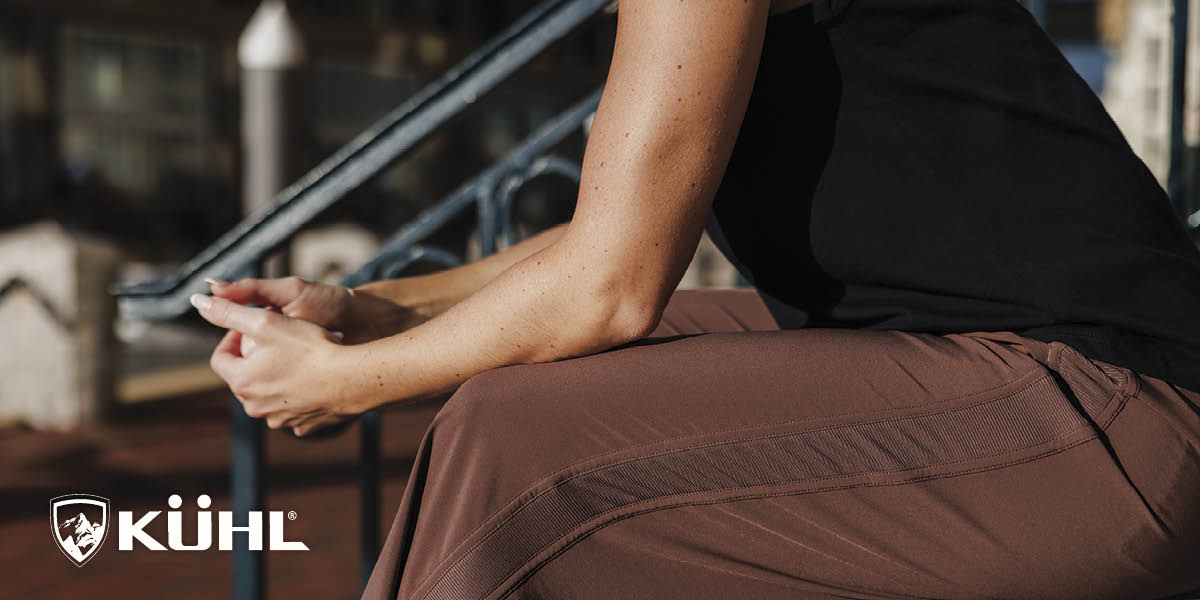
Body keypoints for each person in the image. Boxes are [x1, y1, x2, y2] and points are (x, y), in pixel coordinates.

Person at [192, 0, 1200, 598]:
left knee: (521, 436)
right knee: (536, 389)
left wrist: (351, 384)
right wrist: (374, 313)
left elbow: (610, 288)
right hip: (1005, 365)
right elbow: (622, 224)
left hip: (1111, 416)